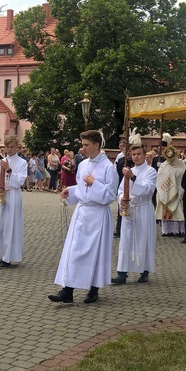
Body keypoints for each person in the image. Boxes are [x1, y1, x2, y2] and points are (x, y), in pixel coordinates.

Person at [48, 130, 117, 304]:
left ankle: (93, 290)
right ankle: (67, 290)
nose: (83, 148)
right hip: (82, 212)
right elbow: (80, 187)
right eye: (83, 144)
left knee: (95, 252)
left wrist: (95, 183)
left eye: (86, 145)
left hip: (98, 215)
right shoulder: (84, 163)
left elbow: (110, 195)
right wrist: (70, 191)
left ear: (97, 145)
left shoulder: (109, 167)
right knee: (74, 250)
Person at [111, 141, 157, 285]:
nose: (136, 157)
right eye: (133, 154)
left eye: (139, 154)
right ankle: (122, 273)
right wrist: (121, 200)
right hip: (129, 209)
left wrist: (133, 178)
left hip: (143, 209)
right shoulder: (128, 170)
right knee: (126, 240)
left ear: (145, 155)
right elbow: (120, 190)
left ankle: (144, 270)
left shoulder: (150, 171)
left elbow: (148, 189)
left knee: (143, 239)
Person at [0, 136, 28, 268]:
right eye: (7, 147)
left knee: (10, 226)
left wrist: (9, 170)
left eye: (12, 147)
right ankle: (1, 254)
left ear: (17, 147)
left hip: (13, 195)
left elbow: (20, 181)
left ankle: (8, 258)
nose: (9, 149)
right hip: (1, 195)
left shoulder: (22, 163)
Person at [155, 134, 186, 237]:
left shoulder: (180, 163)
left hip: (176, 190)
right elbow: (159, 176)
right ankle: (167, 231)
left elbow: (181, 173)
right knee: (166, 207)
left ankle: (178, 230)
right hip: (165, 190)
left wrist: (173, 171)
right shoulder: (163, 164)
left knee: (177, 210)